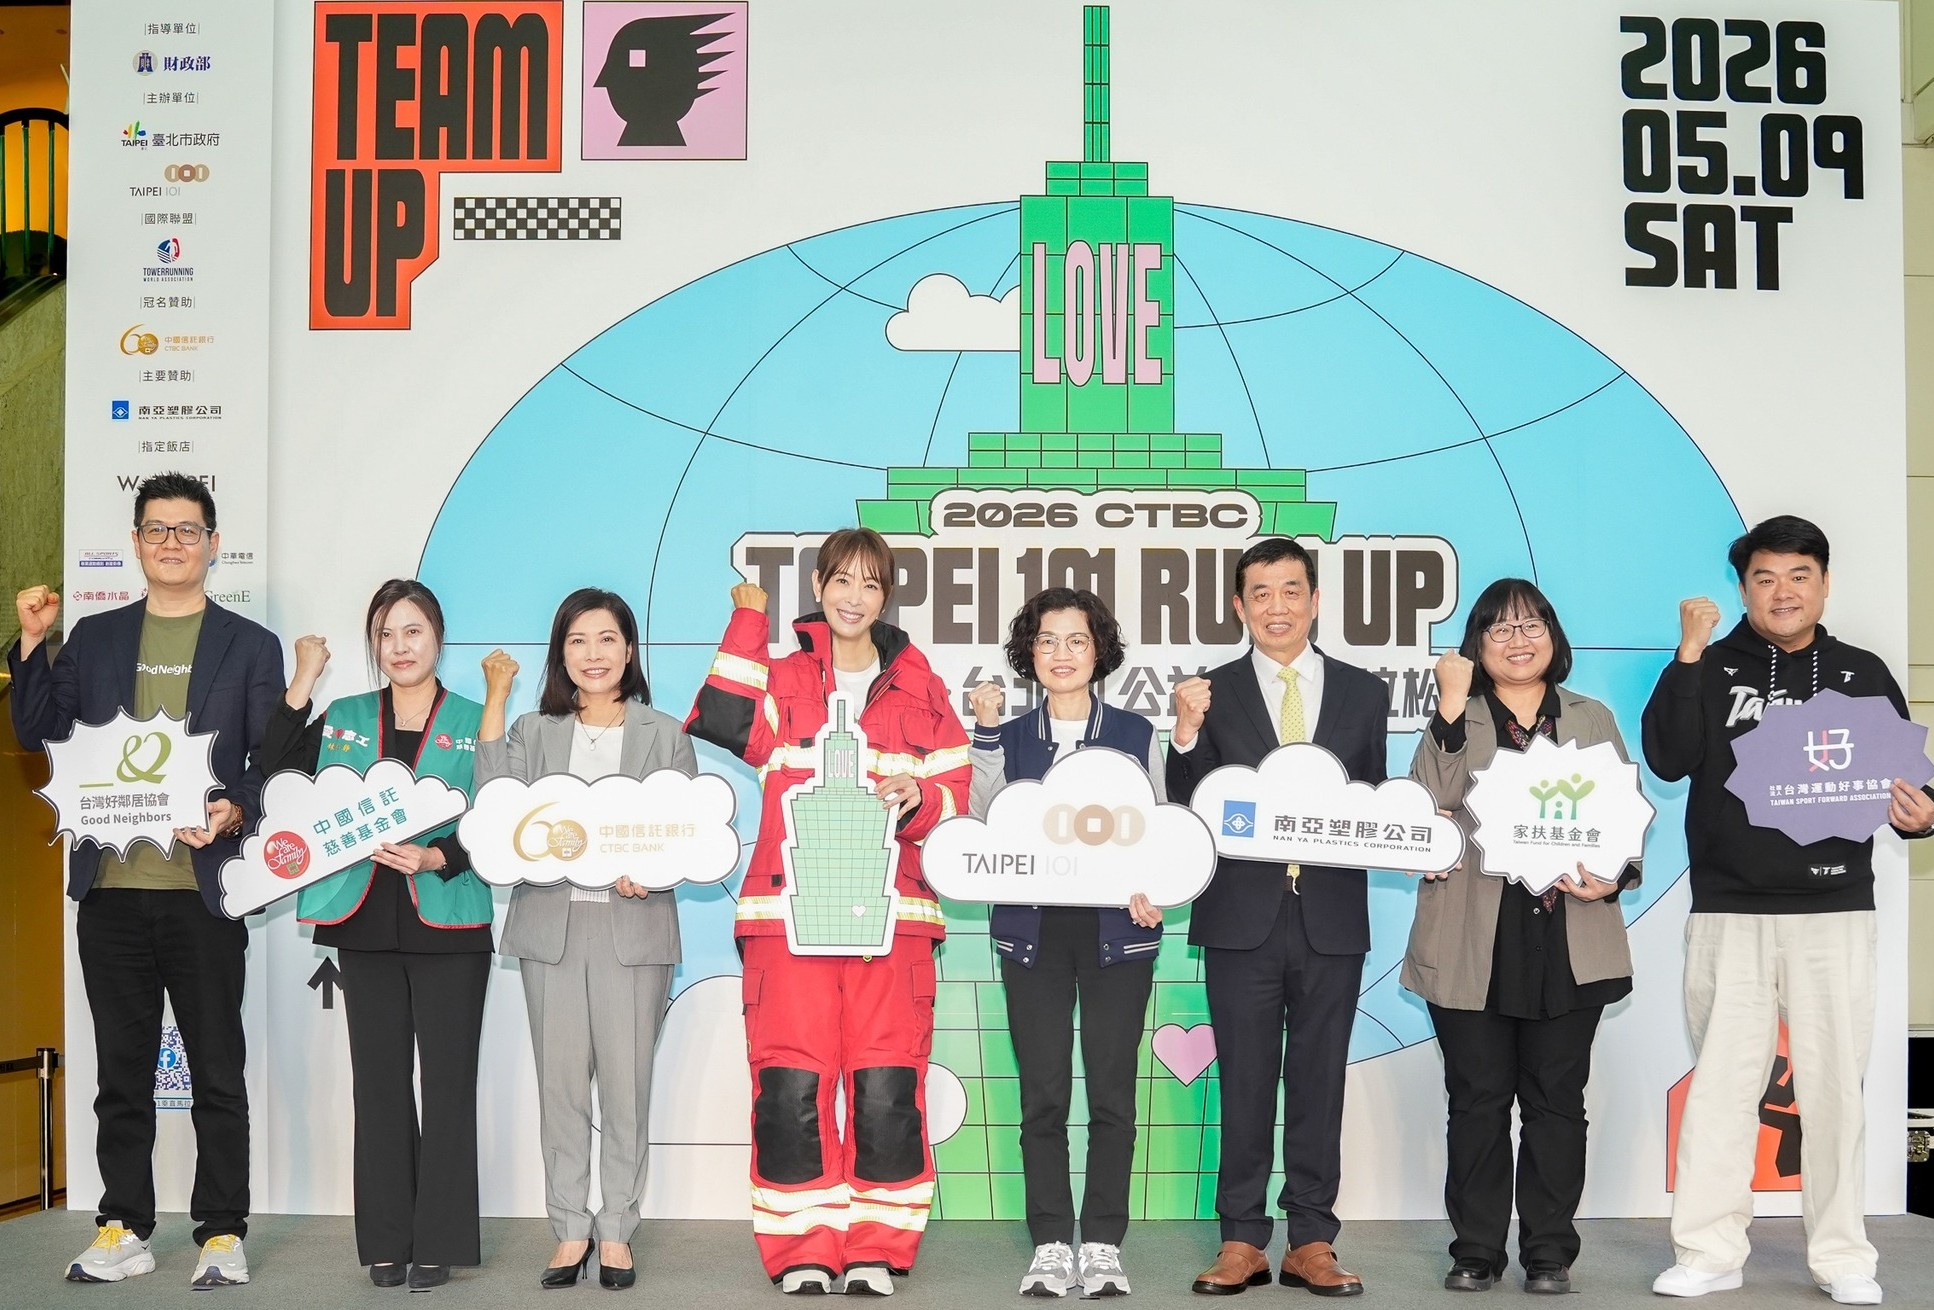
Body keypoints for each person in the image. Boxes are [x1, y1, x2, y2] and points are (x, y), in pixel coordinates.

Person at [1642, 516, 1934, 1306]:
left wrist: (1922, 815)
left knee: (1835, 1088)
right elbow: (1667, 757)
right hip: (1729, 909)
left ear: (1824, 583)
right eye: (1765, 578)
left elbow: (1909, 783)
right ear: (1742, 588)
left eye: (1799, 575)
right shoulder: (1710, 664)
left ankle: (1843, 1258)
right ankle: (1709, 1252)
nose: (1782, 592)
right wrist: (1689, 654)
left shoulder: (1861, 672)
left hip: (1834, 908)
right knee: (1722, 1087)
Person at [8, 472, 283, 1289]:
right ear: (136, 543)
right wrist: (31, 642)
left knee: (217, 1072)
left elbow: (270, 761)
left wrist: (236, 809)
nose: (172, 543)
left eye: (187, 530)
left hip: (202, 893)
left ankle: (222, 1232)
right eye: (157, 530)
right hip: (111, 892)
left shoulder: (250, 644)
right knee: (120, 1074)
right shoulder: (93, 638)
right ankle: (122, 1226)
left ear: (212, 544)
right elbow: (37, 729)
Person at [685, 527, 970, 1296]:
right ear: (818, 588)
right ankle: (802, 1247)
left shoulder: (922, 688)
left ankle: (878, 1246)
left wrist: (921, 798)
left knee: (886, 1086)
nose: (854, 596)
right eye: (842, 580)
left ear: (886, 597)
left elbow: (956, 796)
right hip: (788, 919)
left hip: (893, 921)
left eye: (871, 584)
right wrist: (748, 618)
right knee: (790, 1086)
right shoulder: (781, 678)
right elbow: (724, 719)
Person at [1400, 579, 1640, 1296]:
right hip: (1472, 938)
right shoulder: (1459, 715)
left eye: (1532, 625)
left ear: (1553, 637)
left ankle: (1548, 1251)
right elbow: (1425, 806)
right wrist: (1448, 707)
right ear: (1476, 645)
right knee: (1476, 1101)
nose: (1517, 640)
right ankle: (1476, 1249)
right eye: (1499, 628)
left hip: (1569, 937)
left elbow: (1623, 817)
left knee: (1556, 1102)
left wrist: (1615, 875)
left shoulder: (1589, 716)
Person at [1164, 536, 1388, 1298]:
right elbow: (1188, 809)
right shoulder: (1210, 693)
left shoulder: (1363, 693)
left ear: (1315, 600)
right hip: (1240, 917)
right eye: (1260, 593)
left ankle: (1313, 1240)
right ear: (1240, 606)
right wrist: (1184, 735)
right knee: (1246, 1081)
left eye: (1291, 590)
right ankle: (1241, 1240)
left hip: (1332, 917)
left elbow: (1373, 805)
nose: (1277, 606)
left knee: (1321, 1082)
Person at [259, 579, 491, 1291]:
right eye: (386, 634)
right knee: (380, 1085)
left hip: (449, 919)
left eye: (413, 631)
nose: (399, 646)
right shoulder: (345, 717)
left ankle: (439, 1239)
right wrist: (302, 683)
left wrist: (439, 856)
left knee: (448, 1087)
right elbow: (274, 777)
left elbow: (501, 818)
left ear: (438, 637)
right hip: (362, 921)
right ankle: (388, 1240)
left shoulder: (477, 718)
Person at [474, 588, 694, 1292]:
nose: (592, 654)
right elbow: (494, 803)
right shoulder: (533, 730)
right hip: (554, 926)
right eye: (577, 641)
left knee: (627, 1088)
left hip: (633, 928)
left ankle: (618, 1228)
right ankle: (570, 1227)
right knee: (562, 1088)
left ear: (629, 650)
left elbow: (684, 828)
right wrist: (495, 699)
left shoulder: (665, 732)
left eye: (606, 639)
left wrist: (651, 871)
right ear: (559, 653)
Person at [967, 588, 1165, 1299]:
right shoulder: (1011, 734)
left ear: (1099, 650)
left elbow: (1161, 828)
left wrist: (1155, 887)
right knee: (1043, 1095)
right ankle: (1052, 1241)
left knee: (1112, 1095)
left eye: (1076, 640)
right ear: (1029, 653)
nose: (1061, 653)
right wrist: (985, 734)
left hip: (1120, 933)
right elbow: (983, 823)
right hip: (1035, 933)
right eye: (1046, 640)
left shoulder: (1137, 733)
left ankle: (1104, 1242)